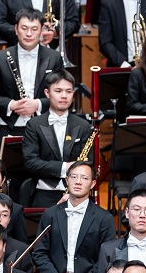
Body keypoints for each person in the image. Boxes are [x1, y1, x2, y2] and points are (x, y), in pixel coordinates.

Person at [34, 161, 116, 273]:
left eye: (84, 178)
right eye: (74, 177)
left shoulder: (104, 218)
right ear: (67, 180)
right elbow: (39, 253)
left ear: (93, 184)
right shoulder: (50, 214)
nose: (78, 181)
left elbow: (106, 259)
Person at [0, 10, 64, 159]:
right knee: (8, 170)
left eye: (34, 29)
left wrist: (38, 104)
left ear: (42, 31)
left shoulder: (54, 58)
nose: (29, 34)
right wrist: (11, 105)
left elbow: (62, 95)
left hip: (45, 127)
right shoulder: (0, 58)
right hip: (9, 126)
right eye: (24, 28)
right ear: (16, 29)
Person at [22, 70, 95, 207]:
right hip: (44, 192)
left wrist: (73, 192)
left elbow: (88, 162)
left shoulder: (83, 125)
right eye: (58, 91)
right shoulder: (34, 125)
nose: (64, 96)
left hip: (76, 194)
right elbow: (31, 163)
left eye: (69, 91)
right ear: (47, 93)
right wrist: (65, 167)